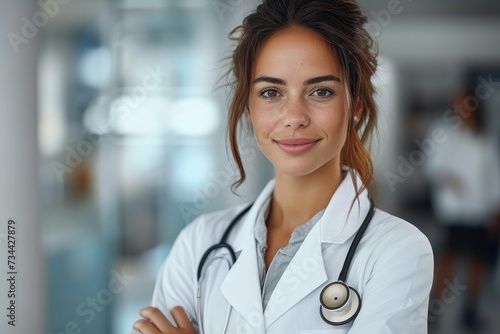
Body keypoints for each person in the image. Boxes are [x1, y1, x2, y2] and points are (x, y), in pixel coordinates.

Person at [131, 0, 434, 333]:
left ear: (356, 103)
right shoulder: (199, 243)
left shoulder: (397, 250)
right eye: (271, 92)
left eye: (320, 91)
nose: (294, 118)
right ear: (248, 106)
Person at [426, 90, 500, 330]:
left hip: (480, 209)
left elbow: (493, 174)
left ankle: (470, 311)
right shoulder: (443, 132)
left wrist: (495, 206)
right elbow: (432, 165)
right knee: (450, 258)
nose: (460, 107)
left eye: (464, 103)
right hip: (454, 209)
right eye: (455, 103)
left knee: (477, 261)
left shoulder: (484, 137)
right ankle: (433, 311)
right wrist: (449, 179)